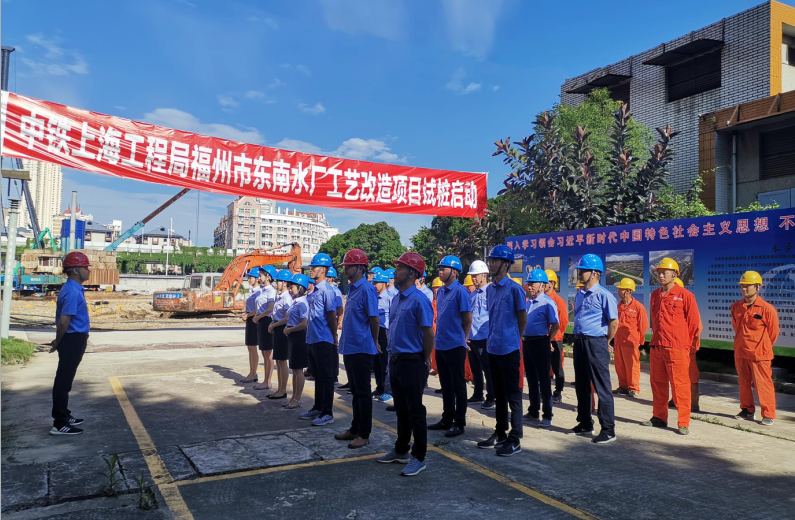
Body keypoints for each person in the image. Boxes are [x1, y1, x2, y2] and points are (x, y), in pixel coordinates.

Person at [376, 252, 434, 476]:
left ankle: (419, 456)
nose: (395, 271)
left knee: (415, 410)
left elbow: (428, 333)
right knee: (401, 409)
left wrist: (425, 359)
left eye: (400, 268)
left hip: (412, 360)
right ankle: (401, 450)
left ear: (412, 273)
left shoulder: (419, 300)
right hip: (396, 359)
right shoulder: (396, 299)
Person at [477, 245, 527, 456]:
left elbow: (522, 318)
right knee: (498, 394)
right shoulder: (490, 290)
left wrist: (514, 338)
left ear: (506, 264)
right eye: (490, 260)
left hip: (509, 349)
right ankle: (500, 433)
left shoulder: (515, 289)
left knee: (513, 395)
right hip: (493, 348)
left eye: (495, 261)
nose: (490, 264)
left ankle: (515, 438)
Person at [644, 257, 700, 436]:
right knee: (657, 383)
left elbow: (694, 324)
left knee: (680, 385)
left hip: (677, 347)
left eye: (664, 273)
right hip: (658, 345)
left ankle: (683, 422)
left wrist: (686, 346)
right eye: (659, 273)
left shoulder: (686, 296)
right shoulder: (655, 295)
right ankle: (659, 417)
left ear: (675, 274)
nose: (661, 276)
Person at [335, 249, 380, 449]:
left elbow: (374, 319)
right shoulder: (353, 289)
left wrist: (375, 340)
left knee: (363, 392)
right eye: (345, 266)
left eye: (349, 266)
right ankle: (355, 428)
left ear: (360, 268)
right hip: (351, 347)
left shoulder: (367, 289)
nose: (345, 270)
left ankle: (364, 433)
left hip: (362, 348)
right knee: (355, 392)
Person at [571, 254, 619, 444]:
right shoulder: (580, 294)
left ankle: (608, 429)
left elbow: (614, 322)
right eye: (580, 270)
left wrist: (606, 340)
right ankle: (585, 423)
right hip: (580, 342)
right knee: (581, 385)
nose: (580, 273)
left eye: (584, 271)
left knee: (601, 386)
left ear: (595, 273)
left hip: (596, 342)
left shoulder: (604, 295)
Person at [428, 255, 472, 438]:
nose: (440, 271)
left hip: (455, 345)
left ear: (454, 272)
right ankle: (447, 419)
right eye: (440, 268)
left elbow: (467, 319)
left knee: (458, 386)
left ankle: (459, 422)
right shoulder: (441, 292)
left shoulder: (461, 292)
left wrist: (462, 338)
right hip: (441, 344)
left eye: (443, 268)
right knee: (445, 385)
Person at [49, 252, 92, 435]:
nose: (88, 271)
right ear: (75, 270)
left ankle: (64, 415)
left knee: (66, 380)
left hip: (74, 338)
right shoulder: (72, 291)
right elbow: (64, 322)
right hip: (71, 339)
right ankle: (59, 423)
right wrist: (57, 341)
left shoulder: (74, 289)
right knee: (63, 381)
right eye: (85, 268)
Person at [731, 271, 779, 426]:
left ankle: (768, 414)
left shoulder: (767, 309)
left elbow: (773, 332)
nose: (744, 289)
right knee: (743, 382)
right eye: (742, 286)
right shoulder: (736, 307)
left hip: (760, 353)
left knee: (763, 383)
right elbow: (737, 328)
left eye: (748, 286)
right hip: (741, 351)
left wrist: (762, 345)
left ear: (757, 287)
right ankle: (747, 410)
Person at [299, 254, 339, 426]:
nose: (311, 270)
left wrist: (334, 336)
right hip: (313, 339)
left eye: (314, 267)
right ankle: (318, 407)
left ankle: (327, 412)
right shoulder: (315, 290)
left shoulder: (327, 291)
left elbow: (331, 315)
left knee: (326, 377)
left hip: (323, 339)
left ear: (323, 270)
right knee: (317, 376)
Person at [522, 269, 560, 428]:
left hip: (541, 343)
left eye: (533, 284)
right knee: (531, 378)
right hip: (527, 343)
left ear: (543, 286)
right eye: (529, 283)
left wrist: (547, 340)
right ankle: (533, 411)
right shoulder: (527, 302)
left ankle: (547, 414)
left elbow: (556, 325)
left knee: (544, 380)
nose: (530, 286)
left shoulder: (548, 303)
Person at [613, 278, 649, 398]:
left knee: (632, 366)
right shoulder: (618, 306)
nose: (618, 292)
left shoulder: (638, 307)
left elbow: (643, 325)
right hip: (619, 341)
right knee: (620, 366)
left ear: (628, 291)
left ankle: (633, 388)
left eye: (621, 289)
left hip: (631, 342)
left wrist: (638, 340)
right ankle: (623, 386)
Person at [467, 260, 494, 410]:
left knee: (488, 369)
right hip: (472, 336)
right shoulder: (472, 295)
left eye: (475, 275)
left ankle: (491, 396)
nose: (473, 279)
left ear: (484, 275)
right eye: (472, 276)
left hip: (485, 336)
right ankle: (478, 394)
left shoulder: (491, 292)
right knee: (475, 368)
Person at [284, 274, 310, 409]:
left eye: (292, 287)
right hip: (293, 336)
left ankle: (298, 398)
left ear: (300, 287)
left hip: (299, 337)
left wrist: (290, 329)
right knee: (294, 369)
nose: (290, 289)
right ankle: (293, 397)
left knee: (298, 369)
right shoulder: (296, 301)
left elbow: (304, 323)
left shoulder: (302, 303)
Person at [267, 269, 294, 400]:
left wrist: (274, 325)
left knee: (282, 361)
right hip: (277, 328)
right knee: (278, 361)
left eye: (278, 281)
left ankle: (283, 390)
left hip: (282, 329)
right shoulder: (280, 297)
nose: (276, 283)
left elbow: (287, 317)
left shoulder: (287, 298)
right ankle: (279, 389)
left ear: (285, 283)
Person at [544, 270, 568, 403]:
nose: (543, 284)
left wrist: (556, 336)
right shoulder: (541, 299)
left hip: (555, 339)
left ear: (552, 283)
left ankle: (558, 392)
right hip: (543, 338)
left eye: (546, 282)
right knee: (544, 367)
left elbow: (563, 322)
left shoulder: (559, 301)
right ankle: (544, 391)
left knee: (557, 367)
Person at [253, 265, 278, 391]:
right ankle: (265, 380)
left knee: (268, 354)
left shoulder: (271, 291)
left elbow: (270, 308)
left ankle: (267, 381)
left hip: (266, 320)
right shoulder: (262, 290)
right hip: (261, 321)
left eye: (261, 275)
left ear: (268, 277)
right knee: (264, 352)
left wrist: (259, 316)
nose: (259, 278)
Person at [372, 271, 393, 403]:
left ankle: (388, 390)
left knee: (385, 361)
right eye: (373, 282)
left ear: (384, 283)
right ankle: (379, 387)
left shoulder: (390, 298)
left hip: (385, 332)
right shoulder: (374, 297)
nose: (374, 285)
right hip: (375, 331)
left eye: (376, 283)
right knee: (376, 362)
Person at [240, 268, 262, 384]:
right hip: (249, 319)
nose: (249, 280)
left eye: (251, 278)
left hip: (253, 320)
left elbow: (258, 309)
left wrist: (248, 315)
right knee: (250, 348)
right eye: (248, 277)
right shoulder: (252, 291)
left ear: (257, 279)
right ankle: (252, 372)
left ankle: (253, 373)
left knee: (253, 348)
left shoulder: (259, 292)